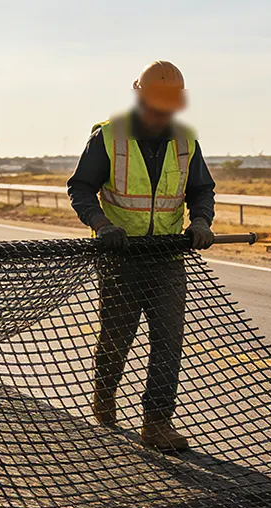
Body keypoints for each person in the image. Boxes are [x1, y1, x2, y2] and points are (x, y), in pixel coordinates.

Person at [67, 60, 216, 452]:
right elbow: (81, 187)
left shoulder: (185, 141)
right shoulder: (109, 136)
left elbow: (201, 189)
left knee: (169, 341)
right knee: (117, 337)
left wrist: (201, 221)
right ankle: (104, 392)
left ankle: (157, 423)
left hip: (167, 257)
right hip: (121, 257)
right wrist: (102, 224)